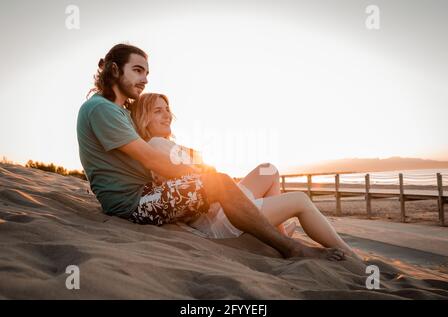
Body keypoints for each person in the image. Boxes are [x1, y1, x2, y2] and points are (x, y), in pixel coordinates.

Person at [77, 43, 350, 261]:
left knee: (223, 179)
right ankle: (291, 248)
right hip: (134, 204)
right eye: (137, 70)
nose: (145, 79)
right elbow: (150, 158)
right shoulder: (102, 108)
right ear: (114, 70)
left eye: (147, 72)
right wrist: (201, 175)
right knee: (216, 181)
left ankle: (269, 233)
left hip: (143, 197)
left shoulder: (117, 110)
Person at [128, 92, 360, 260]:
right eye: (158, 111)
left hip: (223, 208)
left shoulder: (165, 144)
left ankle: (275, 234)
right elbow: (200, 179)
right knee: (300, 200)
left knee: (268, 169)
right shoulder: (157, 145)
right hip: (221, 218)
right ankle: (352, 258)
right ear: (144, 119)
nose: (167, 115)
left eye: (167, 109)